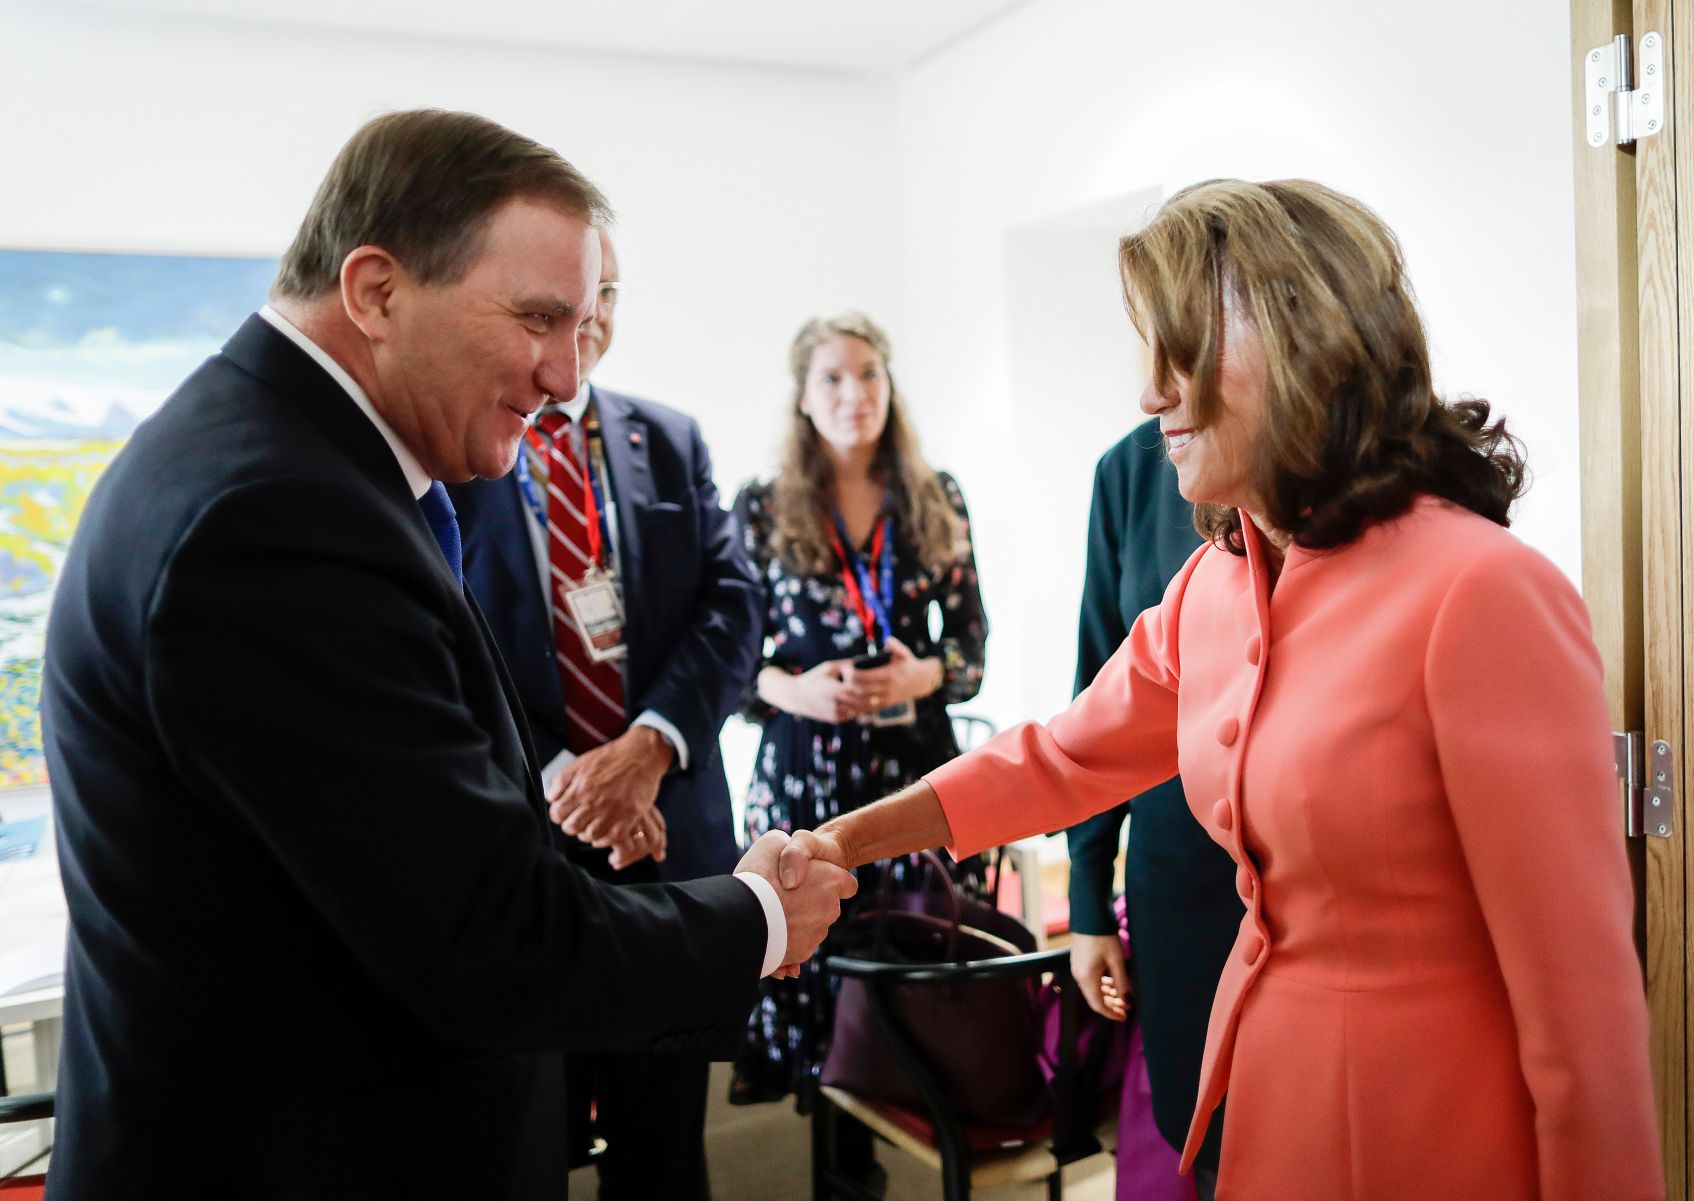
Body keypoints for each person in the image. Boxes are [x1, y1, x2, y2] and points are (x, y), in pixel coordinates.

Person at [777, 180, 1664, 1201]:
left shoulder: (1483, 591)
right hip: (1259, 1093)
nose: (1150, 393)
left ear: (1306, 344)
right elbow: (1059, 758)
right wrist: (841, 842)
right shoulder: (1213, 583)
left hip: (1434, 1127)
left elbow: (1583, 1013)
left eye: (1181, 350)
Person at [39, 109, 855, 1201]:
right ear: (377, 291)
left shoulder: (293, 464)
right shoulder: (276, 520)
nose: (565, 376)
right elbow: (492, 942)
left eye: (586, 324)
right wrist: (757, 916)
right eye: (538, 319)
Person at [451, 227, 758, 1199]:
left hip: (666, 839)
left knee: (662, 1151)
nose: (593, 319)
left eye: (610, 296)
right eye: (571, 300)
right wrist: (569, 778)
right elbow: (453, 635)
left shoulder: (667, 437)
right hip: (523, 845)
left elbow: (731, 604)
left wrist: (649, 748)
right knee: (523, 1145)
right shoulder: (462, 445)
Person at [728, 311, 988, 1183]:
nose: (855, 394)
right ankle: (843, 1173)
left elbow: (972, 654)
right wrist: (795, 689)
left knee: (910, 977)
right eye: (833, 378)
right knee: (818, 985)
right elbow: (733, 663)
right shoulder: (763, 506)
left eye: (870, 374)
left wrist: (924, 675)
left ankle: (914, 1148)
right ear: (803, 397)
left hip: (915, 779)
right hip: (805, 780)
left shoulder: (936, 494)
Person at [1063, 420, 1241, 1201]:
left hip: (1308, 876)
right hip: (1174, 877)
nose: (1156, 392)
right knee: (1199, 1133)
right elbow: (1095, 709)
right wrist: (1088, 901)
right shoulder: (1128, 472)